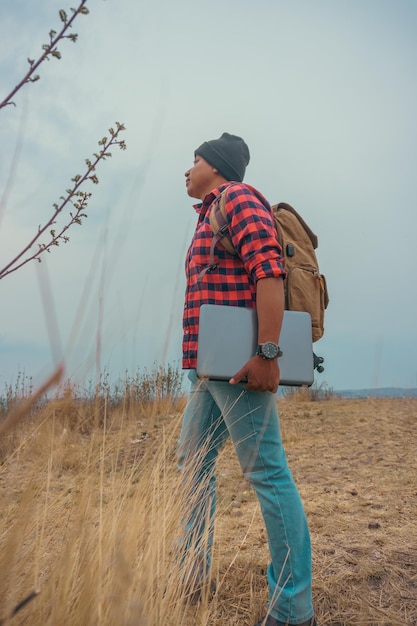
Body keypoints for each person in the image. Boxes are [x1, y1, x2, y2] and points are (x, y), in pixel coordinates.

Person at [177, 132, 316, 626]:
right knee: (191, 463)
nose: (186, 170)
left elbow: (269, 272)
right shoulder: (208, 214)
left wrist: (267, 353)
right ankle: (190, 575)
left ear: (216, 166)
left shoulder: (238, 198)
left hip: (238, 368)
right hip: (210, 368)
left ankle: (293, 609)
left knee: (267, 473)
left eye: (193, 160)